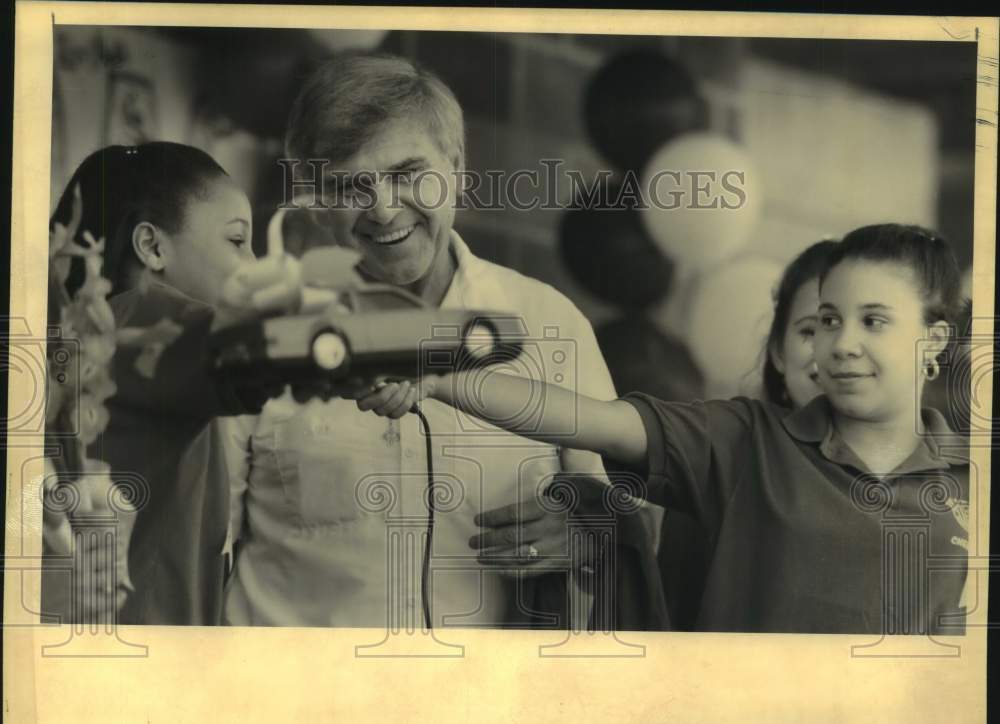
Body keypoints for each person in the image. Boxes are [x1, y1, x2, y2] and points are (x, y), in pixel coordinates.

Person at [364, 224, 970, 634]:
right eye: (828, 320)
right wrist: (439, 381)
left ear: (933, 341)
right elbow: (589, 418)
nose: (842, 345)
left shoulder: (973, 489)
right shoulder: (744, 441)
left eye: (874, 321)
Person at [222, 52, 622, 630]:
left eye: (407, 175)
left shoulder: (549, 323)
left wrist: (588, 532)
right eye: (350, 186)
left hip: (483, 707)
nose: (384, 210)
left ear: (456, 167)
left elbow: (625, 515)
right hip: (295, 706)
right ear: (313, 202)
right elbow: (203, 546)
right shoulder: (256, 336)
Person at [46, 143, 311, 625]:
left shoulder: (79, 339)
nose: (250, 262)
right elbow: (252, 350)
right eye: (237, 241)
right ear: (152, 246)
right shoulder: (144, 320)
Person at [658, 239, 839, 630]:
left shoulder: (929, 486)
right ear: (777, 351)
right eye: (811, 330)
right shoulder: (723, 460)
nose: (834, 351)